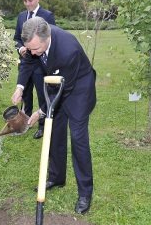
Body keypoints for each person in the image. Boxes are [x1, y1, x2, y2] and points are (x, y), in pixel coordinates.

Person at [11, 17, 96, 214]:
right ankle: (56, 177)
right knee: (55, 133)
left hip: (78, 91)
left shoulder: (69, 50)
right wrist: (20, 87)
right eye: (29, 49)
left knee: (78, 139)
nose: (32, 53)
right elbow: (28, 62)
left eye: (35, 49)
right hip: (56, 85)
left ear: (46, 37)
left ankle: (85, 193)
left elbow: (63, 89)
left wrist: (41, 111)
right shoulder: (35, 43)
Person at [13, 0, 56, 139]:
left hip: (40, 66)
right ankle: (25, 121)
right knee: (25, 95)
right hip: (25, 62)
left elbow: (50, 41)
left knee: (42, 95)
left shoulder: (47, 16)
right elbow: (17, 38)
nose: (28, 4)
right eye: (25, 1)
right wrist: (21, 49)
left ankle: (42, 126)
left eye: (31, 0)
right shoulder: (21, 16)